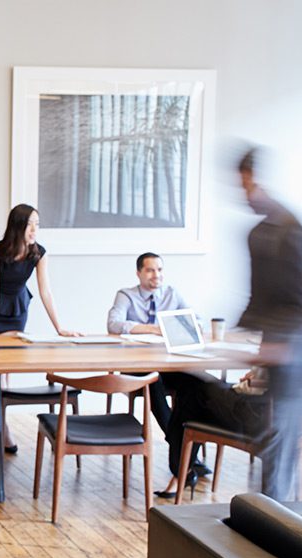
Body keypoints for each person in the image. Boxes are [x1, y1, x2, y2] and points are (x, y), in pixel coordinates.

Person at [234, 148, 302, 501]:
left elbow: (297, 300)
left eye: (249, 186)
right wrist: (242, 333)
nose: (246, 196)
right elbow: (258, 297)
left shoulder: (292, 230)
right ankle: (267, 513)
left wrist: (280, 342)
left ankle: (276, 519)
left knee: (279, 438)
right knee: (270, 437)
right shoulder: (256, 234)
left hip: (294, 355)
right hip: (275, 352)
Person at [105, 253, 207, 475]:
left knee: (197, 381)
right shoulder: (126, 295)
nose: (156, 275)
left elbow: (196, 321)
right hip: (137, 365)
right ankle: (180, 445)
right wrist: (154, 328)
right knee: (153, 380)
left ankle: (184, 448)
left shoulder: (172, 294)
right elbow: (114, 325)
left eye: (159, 270)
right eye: (150, 270)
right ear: (139, 273)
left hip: (168, 363)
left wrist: (180, 325)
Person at [155, 369, 270, 498]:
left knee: (194, 391)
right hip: (249, 398)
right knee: (191, 381)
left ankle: (181, 471)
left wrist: (256, 376)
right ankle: (182, 470)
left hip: (253, 411)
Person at [0, 204, 78, 338]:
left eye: (37, 224)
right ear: (16, 226)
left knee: (16, 348)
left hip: (18, 305)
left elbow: (45, 292)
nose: (34, 229)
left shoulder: (40, 253)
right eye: (29, 224)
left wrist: (59, 329)